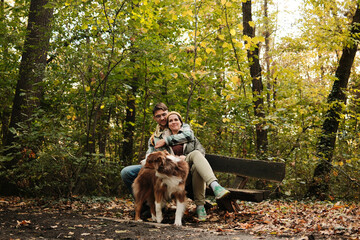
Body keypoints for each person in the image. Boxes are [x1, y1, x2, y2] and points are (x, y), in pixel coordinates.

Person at [155, 111, 230, 221]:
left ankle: (207, 198)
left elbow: (201, 151)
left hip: (189, 174)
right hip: (174, 176)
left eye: (176, 119)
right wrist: (176, 159)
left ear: (181, 123)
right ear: (168, 125)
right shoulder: (163, 140)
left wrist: (185, 158)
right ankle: (211, 192)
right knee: (195, 158)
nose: (173, 122)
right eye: (170, 120)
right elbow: (162, 159)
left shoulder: (190, 137)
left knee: (196, 158)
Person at [120, 103, 193, 195]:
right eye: (158, 116)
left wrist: (166, 140)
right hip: (159, 167)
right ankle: (144, 206)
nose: (162, 118)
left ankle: (157, 204)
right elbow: (150, 152)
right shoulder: (154, 137)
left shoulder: (179, 125)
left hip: (178, 166)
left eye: (164, 114)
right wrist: (146, 161)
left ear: (168, 113)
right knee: (126, 172)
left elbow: (189, 135)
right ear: (154, 118)